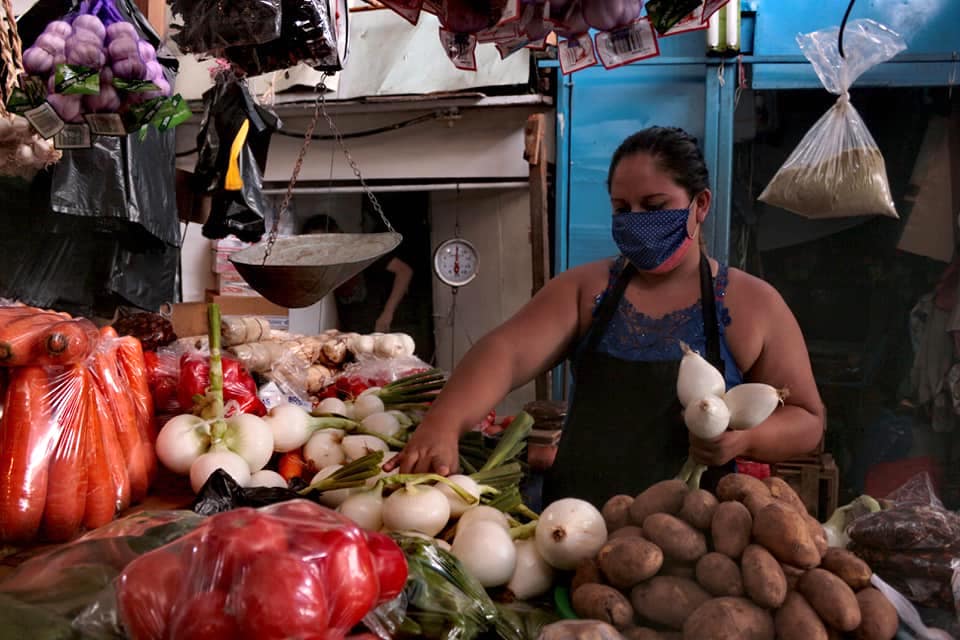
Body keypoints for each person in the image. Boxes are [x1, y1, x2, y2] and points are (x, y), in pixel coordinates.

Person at [385, 126, 826, 508]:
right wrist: (444, 421)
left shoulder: (753, 304)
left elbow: (807, 418)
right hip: (576, 526)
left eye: (654, 206)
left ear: (701, 204)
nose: (636, 221)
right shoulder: (585, 290)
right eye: (622, 209)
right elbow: (506, 354)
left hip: (693, 541)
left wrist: (745, 439)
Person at [301, 213, 415, 334]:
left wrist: (387, 314)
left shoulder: (363, 251)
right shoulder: (322, 265)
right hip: (353, 327)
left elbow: (405, 272)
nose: (320, 250)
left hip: (382, 319)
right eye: (315, 245)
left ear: (337, 236)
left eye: (324, 242)